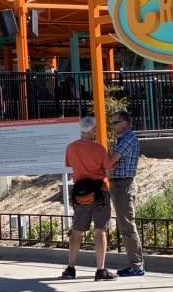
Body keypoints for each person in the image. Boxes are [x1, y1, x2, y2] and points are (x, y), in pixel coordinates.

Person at [61, 116, 117, 281]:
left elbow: (72, 168)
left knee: (76, 231)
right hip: (100, 191)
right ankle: (100, 270)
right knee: (100, 231)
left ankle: (71, 268)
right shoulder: (99, 149)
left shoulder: (70, 148)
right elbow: (107, 173)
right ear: (93, 130)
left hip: (81, 193)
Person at [107, 110, 145, 277]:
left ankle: (137, 267)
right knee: (125, 226)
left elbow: (109, 161)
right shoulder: (122, 139)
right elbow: (110, 164)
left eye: (115, 123)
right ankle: (134, 265)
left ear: (124, 123)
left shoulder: (128, 139)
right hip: (118, 184)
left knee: (128, 227)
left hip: (124, 185)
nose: (112, 126)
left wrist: (108, 164)